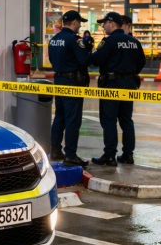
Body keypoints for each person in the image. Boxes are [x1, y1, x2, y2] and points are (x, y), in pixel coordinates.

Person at [90, 12, 146, 166]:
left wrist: (93, 52)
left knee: (109, 120)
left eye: (105, 23)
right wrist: (131, 73)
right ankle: (128, 154)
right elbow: (142, 61)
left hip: (112, 84)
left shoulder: (109, 41)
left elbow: (96, 60)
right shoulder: (134, 41)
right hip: (129, 84)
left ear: (112, 23)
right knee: (126, 120)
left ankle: (109, 155)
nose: (103, 26)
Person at [48, 10, 92, 166]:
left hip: (58, 80)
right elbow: (84, 60)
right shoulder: (75, 39)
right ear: (74, 22)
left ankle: (55, 150)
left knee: (59, 116)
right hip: (72, 83)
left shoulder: (54, 39)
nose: (80, 26)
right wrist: (91, 51)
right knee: (72, 119)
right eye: (79, 22)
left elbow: (51, 59)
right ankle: (70, 155)